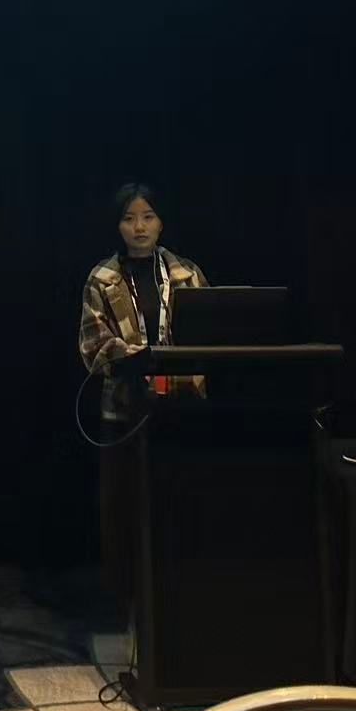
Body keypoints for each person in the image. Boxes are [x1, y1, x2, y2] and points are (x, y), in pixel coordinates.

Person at [78, 182, 209, 611]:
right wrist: (141, 357)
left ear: (161, 222)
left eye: (148, 217)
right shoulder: (102, 279)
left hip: (182, 407)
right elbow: (94, 346)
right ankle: (128, 600)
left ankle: (183, 597)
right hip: (125, 412)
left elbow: (212, 333)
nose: (139, 227)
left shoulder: (187, 274)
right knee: (125, 508)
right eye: (129, 218)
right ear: (117, 226)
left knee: (180, 503)